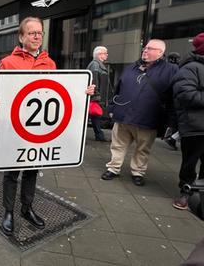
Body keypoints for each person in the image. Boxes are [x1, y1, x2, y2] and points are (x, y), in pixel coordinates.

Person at [0, 17, 95, 235]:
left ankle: (26, 208)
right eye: (31, 33)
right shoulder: (8, 62)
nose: (36, 36)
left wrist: (82, 92)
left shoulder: (50, 63)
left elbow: (57, 92)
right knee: (11, 172)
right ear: (21, 37)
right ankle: (9, 211)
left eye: (39, 33)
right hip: (15, 128)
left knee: (32, 170)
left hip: (39, 130)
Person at [101, 39, 178, 186]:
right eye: (145, 48)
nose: (145, 50)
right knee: (117, 146)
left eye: (150, 48)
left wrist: (170, 121)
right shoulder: (131, 67)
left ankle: (138, 172)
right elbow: (118, 89)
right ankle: (113, 168)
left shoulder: (171, 70)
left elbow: (174, 98)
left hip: (148, 119)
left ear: (160, 52)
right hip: (123, 116)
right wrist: (111, 108)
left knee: (143, 149)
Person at [171, 32, 204, 210]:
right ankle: (186, 191)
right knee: (190, 161)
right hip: (195, 126)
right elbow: (185, 94)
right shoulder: (190, 68)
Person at [87, 46, 111, 142]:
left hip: (97, 97)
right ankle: (99, 135)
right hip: (96, 97)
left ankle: (99, 135)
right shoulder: (95, 65)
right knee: (94, 115)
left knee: (94, 116)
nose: (107, 55)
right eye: (105, 53)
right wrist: (97, 96)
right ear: (99, 54)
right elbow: (94, 82)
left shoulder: (98, 65)